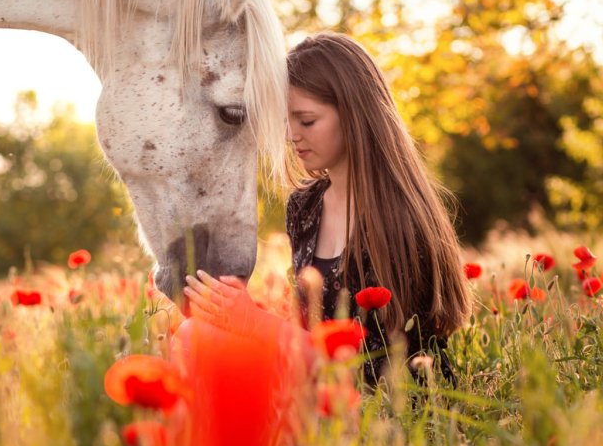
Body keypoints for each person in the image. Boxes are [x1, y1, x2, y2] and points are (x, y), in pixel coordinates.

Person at [187, 32, 470, 386]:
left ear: (355, 115)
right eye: (287, 121)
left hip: (387, 407)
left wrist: (256, 324)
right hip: (318, 388)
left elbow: (374, 371)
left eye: (306, 121)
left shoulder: (400, 220)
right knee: (193, 334)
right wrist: (235, 307)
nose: (291, 135)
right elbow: (307, 332)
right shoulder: (304, 207)